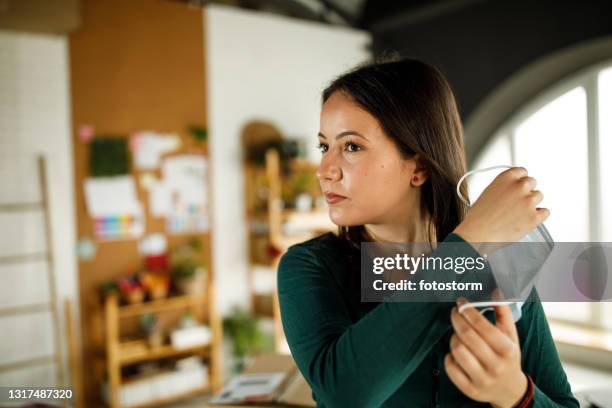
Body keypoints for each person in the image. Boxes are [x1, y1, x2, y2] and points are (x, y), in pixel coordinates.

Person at [277, 56, 578, 407]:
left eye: (352, 146)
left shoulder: (501, 263)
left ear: (418, 166)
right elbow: (343, 394)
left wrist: (515, 394)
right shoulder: (309, 267)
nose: (325, 170)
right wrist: (470, 242)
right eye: (324, 146)